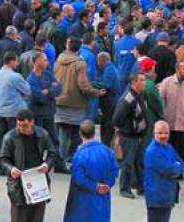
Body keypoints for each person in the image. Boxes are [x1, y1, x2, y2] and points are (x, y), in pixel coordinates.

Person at [54, 37, 104, 167]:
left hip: (59, 99)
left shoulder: (59, 60)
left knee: (62, 132)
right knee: (75, 133)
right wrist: (96, 92)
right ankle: (69, 157)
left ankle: (59, 159)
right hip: (75, 102)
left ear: (68, 47)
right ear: (79, 48)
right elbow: (83, 85)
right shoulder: (80, 64)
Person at [0, 108, 56, 222]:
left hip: (38, 180)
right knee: (19, 217)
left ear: (32, 122)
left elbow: (52, 153)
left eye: (24, 125)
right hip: (18, 184)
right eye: (19, 125)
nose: (21, 128)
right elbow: (3, 159)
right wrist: (11, 169)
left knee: (37, 217)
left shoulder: (42, 134)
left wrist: (47, 165)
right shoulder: (10, 137)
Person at [63, 120, 119, 222]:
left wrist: (95, 186)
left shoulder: (79, 155)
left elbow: (79, 178)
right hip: (102, 198)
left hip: (82, 200)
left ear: (80, 133)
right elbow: (114, 172)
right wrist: (106, 186)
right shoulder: (108, 152)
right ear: (94, 132)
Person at [112, 72, 148, 199]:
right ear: (134, 83)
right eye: (142, 80)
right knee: (127, 164)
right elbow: (117, 119)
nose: (145, 83)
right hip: (128, 137)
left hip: (138, 136)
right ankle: (124, 188)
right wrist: (128, 128)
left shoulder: (140, 96)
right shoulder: (128, 99)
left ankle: (140, 187)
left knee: (139, 163)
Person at [158, 61, 184, 168]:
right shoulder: (167, 82)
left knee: (183, 150)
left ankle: (180, 170)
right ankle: (168, 168)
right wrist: (163, 115)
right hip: (169, 123)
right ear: (177, 70)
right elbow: (161, 99)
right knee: (168, 148)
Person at [143, 120, 184, 222]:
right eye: (160, 133)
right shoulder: (153, 151)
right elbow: (169, 169)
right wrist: (176, 167)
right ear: (154, 134)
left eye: (166, 133)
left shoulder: (168, 147)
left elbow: (181, 163)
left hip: (166, 195)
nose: (163, 136)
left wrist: (177, 167)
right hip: (157, 197)